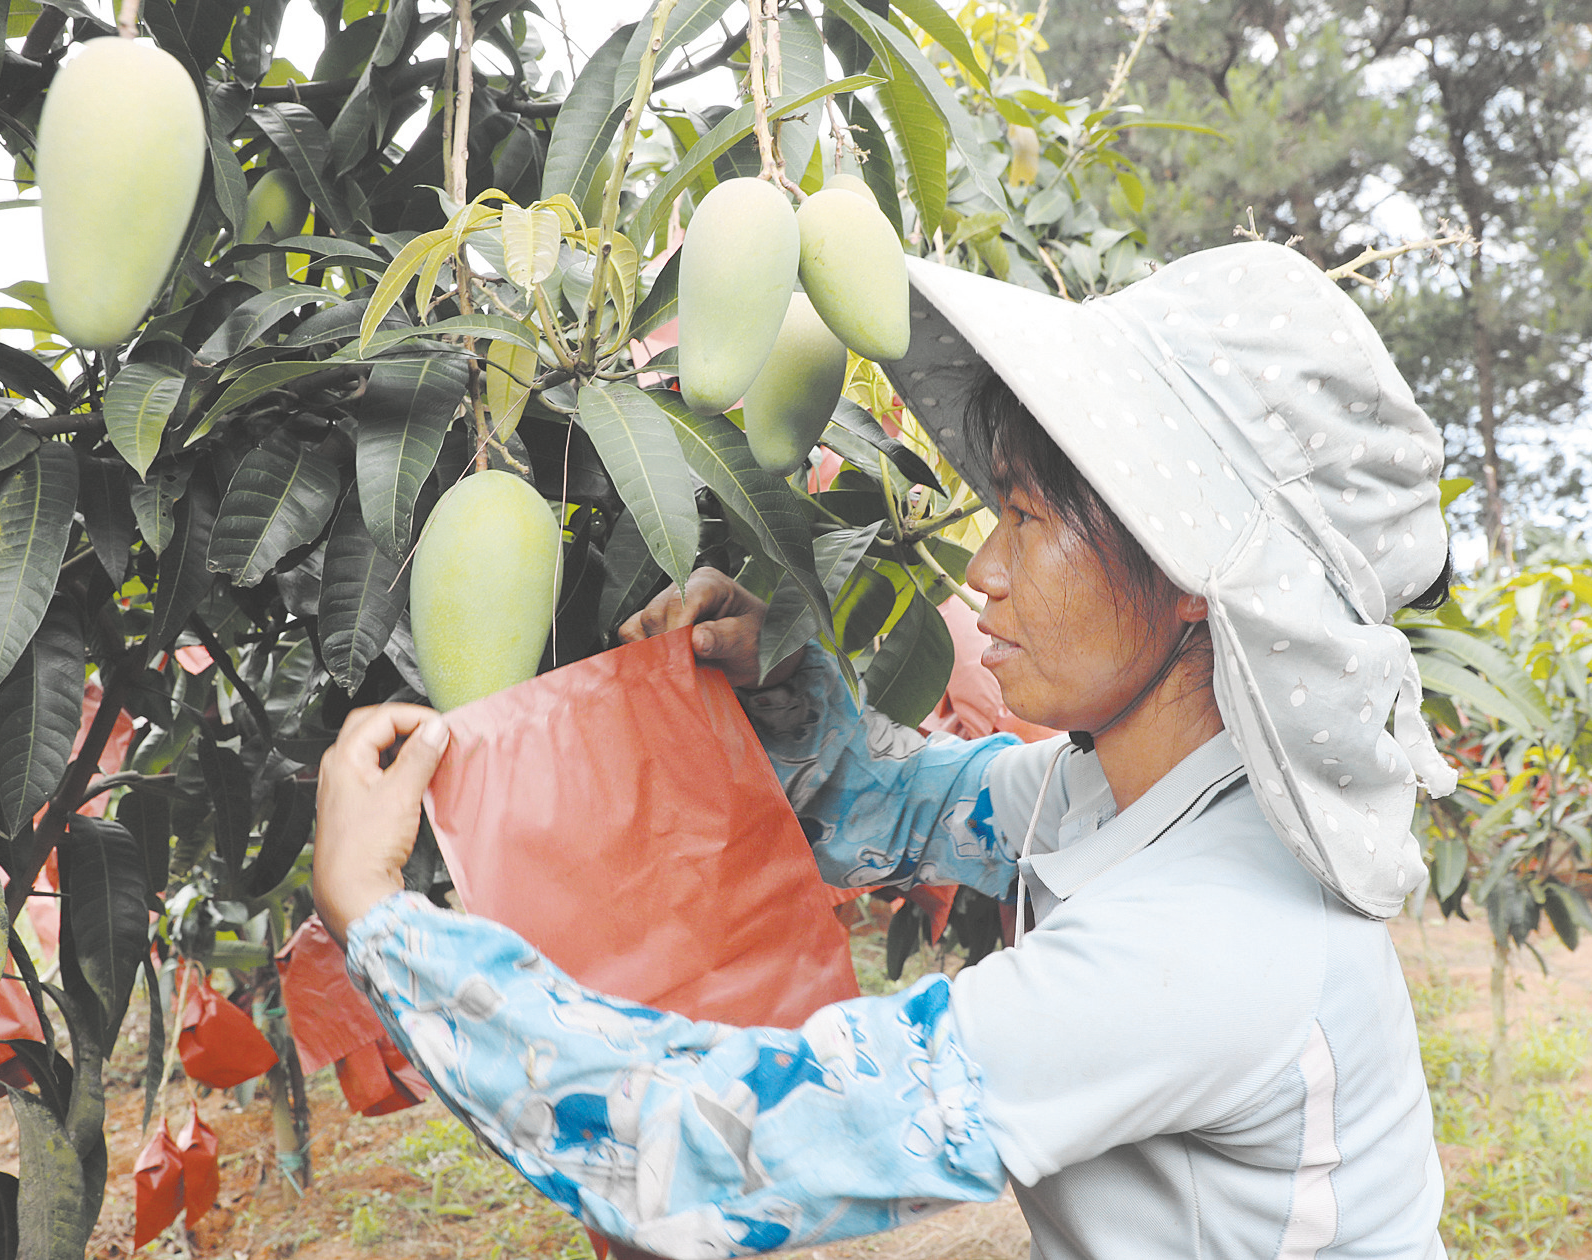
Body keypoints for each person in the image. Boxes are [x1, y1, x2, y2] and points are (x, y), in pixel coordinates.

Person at [311, 240, 1459, 1260]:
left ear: (1196, 578)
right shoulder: (1134, 793)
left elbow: (712, 1150)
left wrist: (382, 919)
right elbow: (920, 806)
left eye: (1028, 520)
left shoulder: (1209, 948)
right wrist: (786, 686)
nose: (984, 574)